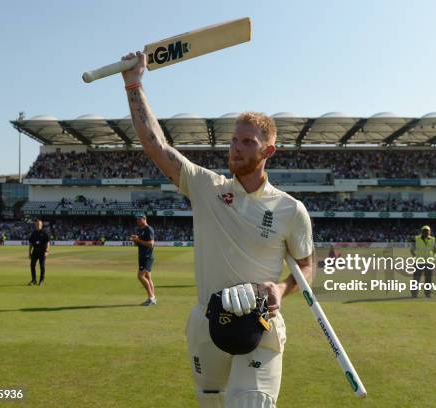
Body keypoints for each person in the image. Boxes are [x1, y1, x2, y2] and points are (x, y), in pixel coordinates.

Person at [121, 51, 314, 408]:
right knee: (210, 402)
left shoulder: (291, 209)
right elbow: (155, 145)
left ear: (269, 150)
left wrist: (281, 288)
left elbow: (305, 266)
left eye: (247, 143)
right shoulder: (206, 187)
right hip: (206, 324)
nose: (236, 149)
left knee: (249, 404)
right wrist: (134, 85)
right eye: (234, 140)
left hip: (260, 325)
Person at [130, 214, 156, 306]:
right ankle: (153, 298)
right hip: (143, 256)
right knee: (148, 278)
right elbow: (140, 244)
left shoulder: (149, 229)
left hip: (147, 257)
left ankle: (151, 298)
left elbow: (151, 244)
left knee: (140, 276)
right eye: (137, 219)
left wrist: (139, 240)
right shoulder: (140, 230)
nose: (138, 221)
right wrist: (135, 241)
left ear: (144, 219)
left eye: (139, 219)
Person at [410, 225, 436, 298]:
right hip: (419, 262)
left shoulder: (433, 239)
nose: (426, 232)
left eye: (427, 231)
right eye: (424, 231)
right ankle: (414, 294)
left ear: (430, 231)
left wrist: (434, 258)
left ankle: (427, 294)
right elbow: (412, 250)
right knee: (416, 279)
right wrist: (415, 257)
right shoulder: (417, 239)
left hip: (429, 263)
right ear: (422, 231)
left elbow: (435, 251)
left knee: (428, 279)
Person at [28, 219, 50, 286]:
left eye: (39, 224)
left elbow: (48, 243)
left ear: (41, 225)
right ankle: (34, 280)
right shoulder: (33, 233)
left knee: (42, 266)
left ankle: (41, 280)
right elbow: (31, 244)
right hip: (35, 252)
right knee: (32, 265)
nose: (38, 225)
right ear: (35, 225)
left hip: (42, 252)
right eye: (37, 224)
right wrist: (29, 252)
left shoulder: (45, 233)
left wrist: (47, 251)